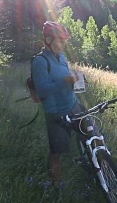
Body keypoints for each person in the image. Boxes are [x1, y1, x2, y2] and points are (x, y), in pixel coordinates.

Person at [31, 21, 84, 189]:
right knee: (57, 152)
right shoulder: (39, 62)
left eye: (64, 41)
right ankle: (56, 185)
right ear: (48, 40)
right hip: (56, 113)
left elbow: (67, 76)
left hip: (73, 104)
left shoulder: (62, 57)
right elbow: (42, 91)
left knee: (90, 134)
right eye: (59, 41)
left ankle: (95, 166)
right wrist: (63, 81)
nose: (62, 45)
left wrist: (75, 80)